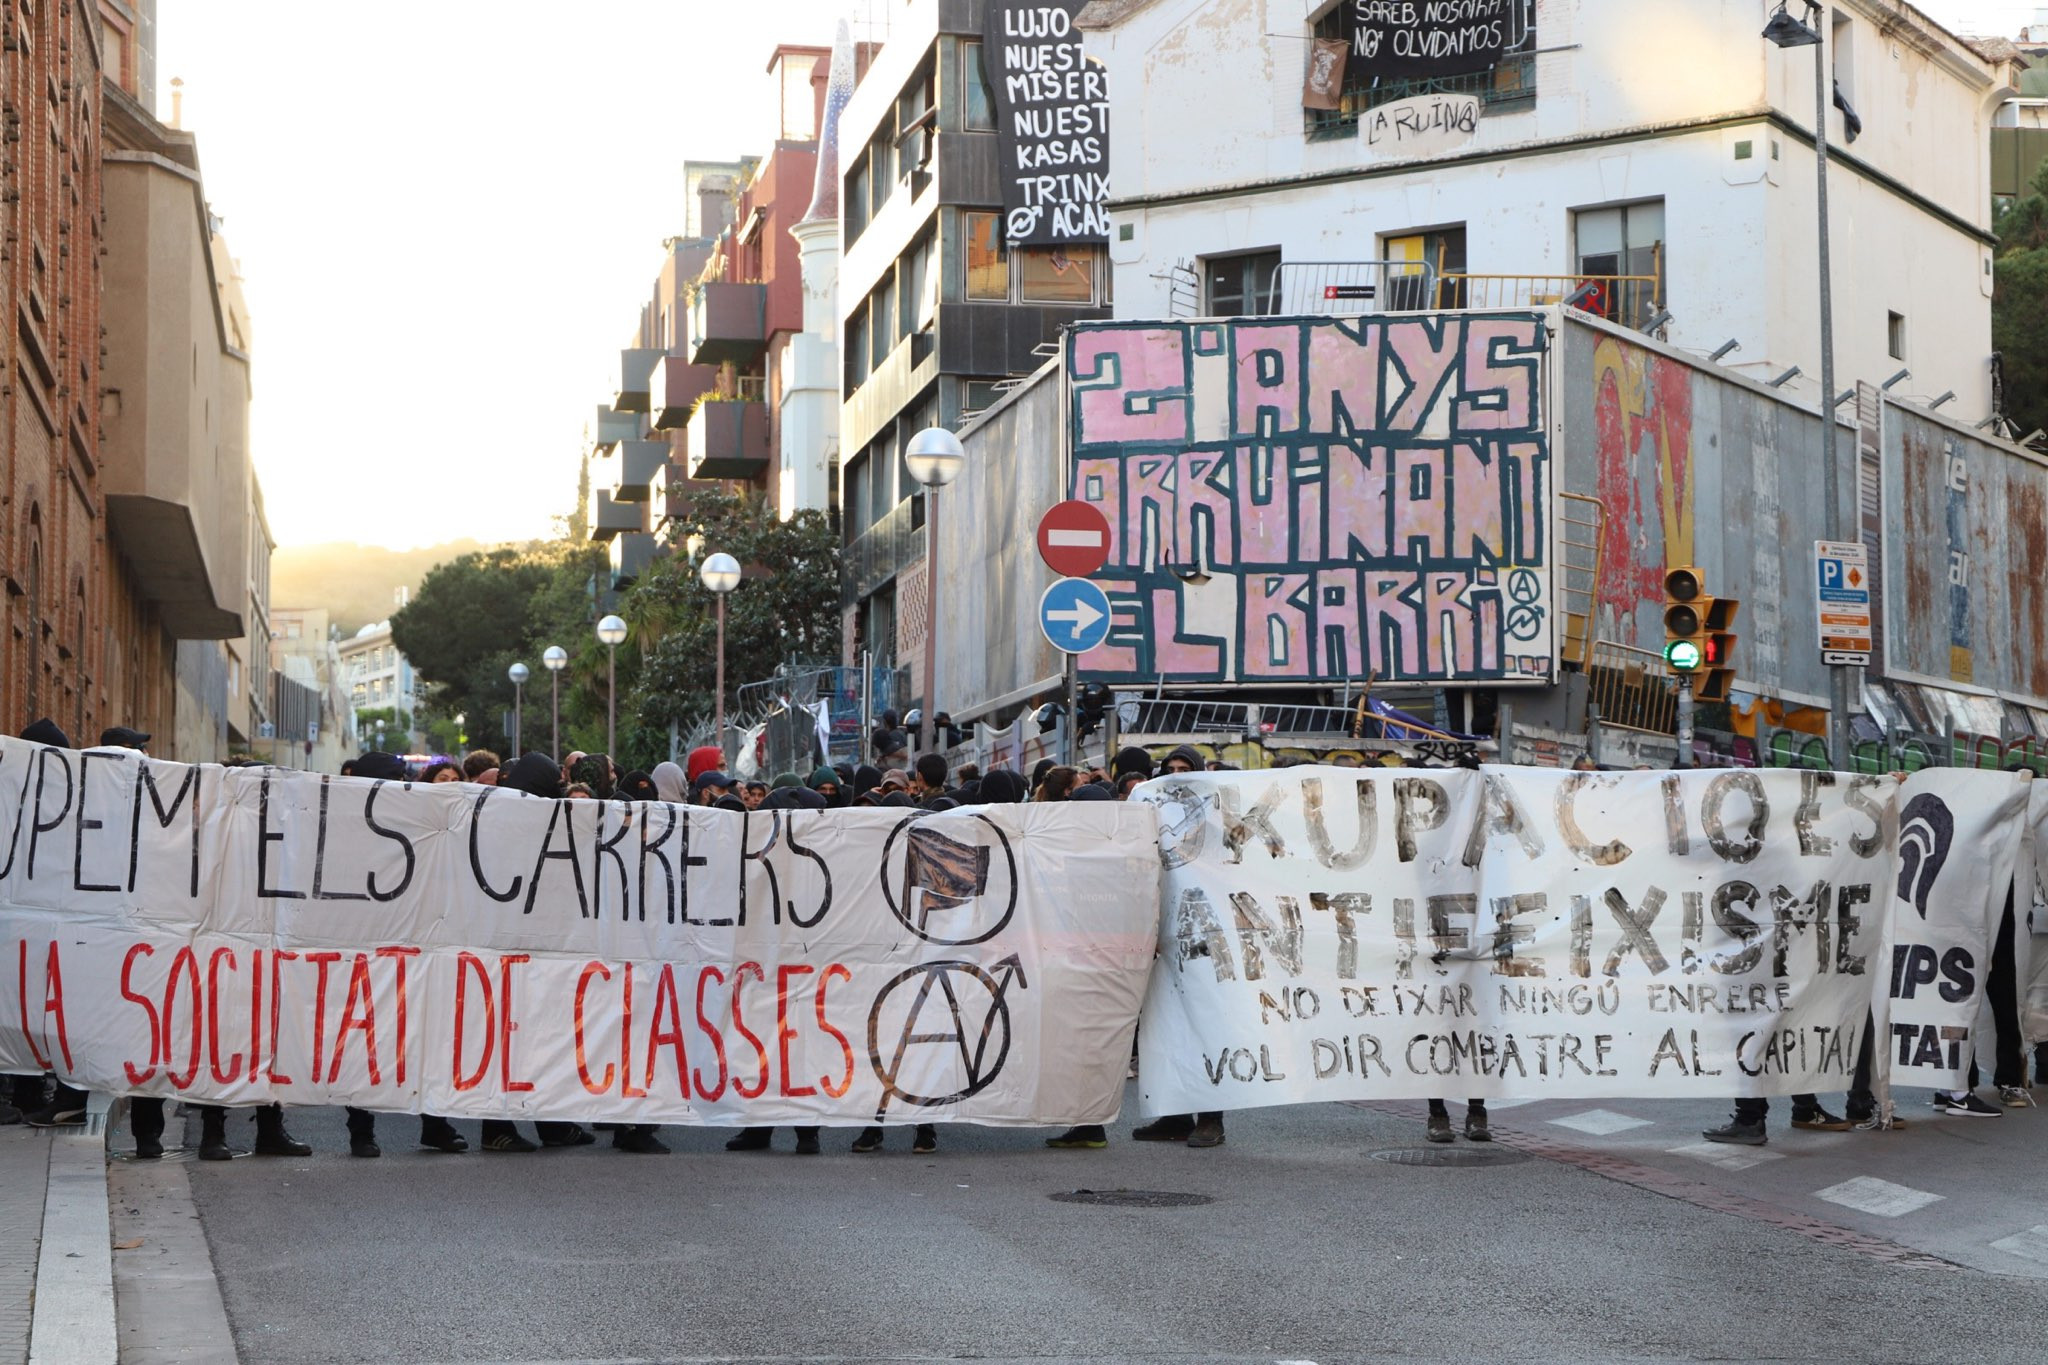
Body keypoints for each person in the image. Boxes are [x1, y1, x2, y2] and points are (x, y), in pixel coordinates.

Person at [475, 752, 594, 1154]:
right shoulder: (514, 825)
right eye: (554, 783)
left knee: (538, 1039)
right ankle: (497, 1127)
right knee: (514, 1040)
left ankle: (550, 1123)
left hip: (529, 949)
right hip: (511, 952)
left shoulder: (508, 819)